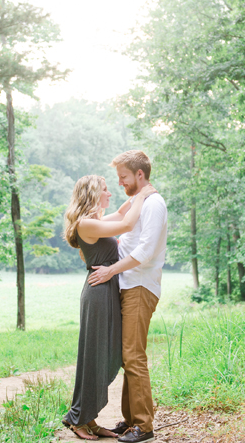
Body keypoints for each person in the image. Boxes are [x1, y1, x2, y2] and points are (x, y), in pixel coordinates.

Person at [62, 174, 157, 441]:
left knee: (107, 354)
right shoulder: (85, 224)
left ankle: (88, 418)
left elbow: (119, 213)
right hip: (98, 294)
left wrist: (141, 194)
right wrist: (141, 195)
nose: (110, 192)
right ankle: (79, 418)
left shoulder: (96, 221)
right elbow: (126, 224)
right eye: (105, 189)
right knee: (95, 355)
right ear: (93, 194)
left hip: (107, 292)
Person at [88, 151, 168, 443]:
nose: (119, 182)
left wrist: (110, 271)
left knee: (134, 357)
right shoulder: (139, 202)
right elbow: (120, 224)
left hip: (140, 286)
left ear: (139, 174)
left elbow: (145, 252)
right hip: (127, 284)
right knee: (127, 356)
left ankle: (144, 426)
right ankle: (132, 419)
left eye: (123, 177)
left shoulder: (154, 204)